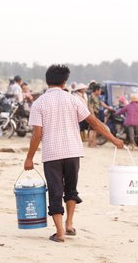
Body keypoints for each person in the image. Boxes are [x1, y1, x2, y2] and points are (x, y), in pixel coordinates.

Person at [24, 65, 123, 243]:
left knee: (55, 191)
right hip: (72, 152)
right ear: (64, 82)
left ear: (48, 81)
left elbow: (37, 134)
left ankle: (60, 232)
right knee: (71, 189)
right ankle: (69, 224)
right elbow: (95, 123)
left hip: (52, 153)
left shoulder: (39, 103)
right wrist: (114, 139)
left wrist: (29, 158)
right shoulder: (74, 100)